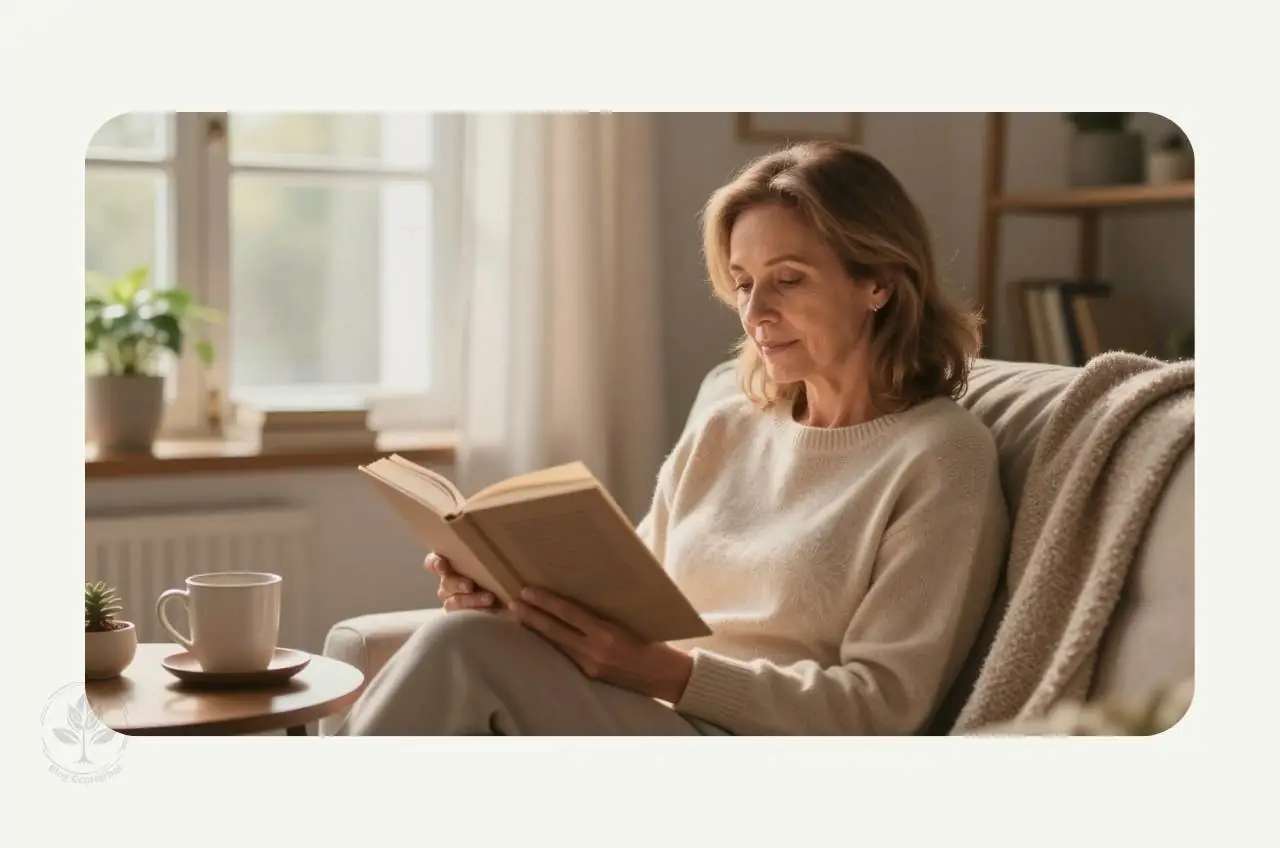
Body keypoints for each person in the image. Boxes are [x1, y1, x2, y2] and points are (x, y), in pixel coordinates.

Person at [336, 140, 1010, 736]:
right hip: (639, 708)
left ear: (879, 284)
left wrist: (670, 675)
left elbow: (883, 708)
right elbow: (625, 606)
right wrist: (511, 602)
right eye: (743, 284)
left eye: (788, 279)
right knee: (468, 635)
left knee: (461, 653)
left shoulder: (942, 454)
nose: (756, 313)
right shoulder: (727, 427)